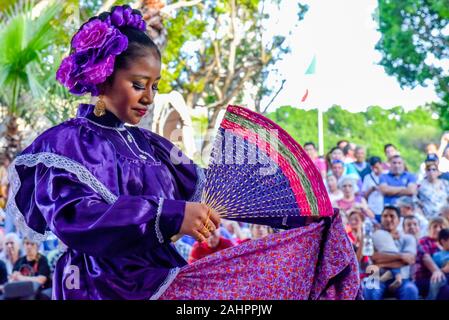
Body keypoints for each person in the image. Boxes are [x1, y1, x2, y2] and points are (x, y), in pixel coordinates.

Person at [5, 5, 360, 300]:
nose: (148, 97)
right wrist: (172, 215)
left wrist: (301, 217)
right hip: (98, 286)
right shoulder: (64, 144)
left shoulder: (152, 147)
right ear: (104, 77)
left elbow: (221, 195)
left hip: (162, 277)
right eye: (138, 84)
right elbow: (76, 219)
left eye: (154, 86)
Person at [363, 206, 419, 300]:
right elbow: (372, 258)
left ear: (398, 220)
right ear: (381, 219)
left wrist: (380, 261)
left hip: (403, 278)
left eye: (392, 216)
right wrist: (401, 257)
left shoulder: (408, 238)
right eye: (385, 216)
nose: (388, 219)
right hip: (376, 276)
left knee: (411, 290)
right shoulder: (375, 236)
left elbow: (409, 259)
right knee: (369, 289)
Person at [414, 217, 449, 299]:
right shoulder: (424, 241)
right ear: (429, 229)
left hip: (442, 277)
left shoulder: (445, 246)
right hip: (426, 278)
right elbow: (425, 257)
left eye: (441, 227)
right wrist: (437, 271)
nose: (438, 229)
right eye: (435, 226)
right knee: (444, 288)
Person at [427, 228, 449, 300]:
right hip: (443, 277)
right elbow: (435, 270)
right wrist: (443, 270)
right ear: (443, 241)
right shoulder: (437, 255)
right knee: (437, 279)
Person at [361, 156, 384, 220]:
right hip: (372, 208)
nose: (375, 169)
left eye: (377, 167)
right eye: (373, 168)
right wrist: (372, 189)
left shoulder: (386, 175)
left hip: (384, 207)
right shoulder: (367, 177)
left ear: (381, 165)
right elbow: (364, 195)